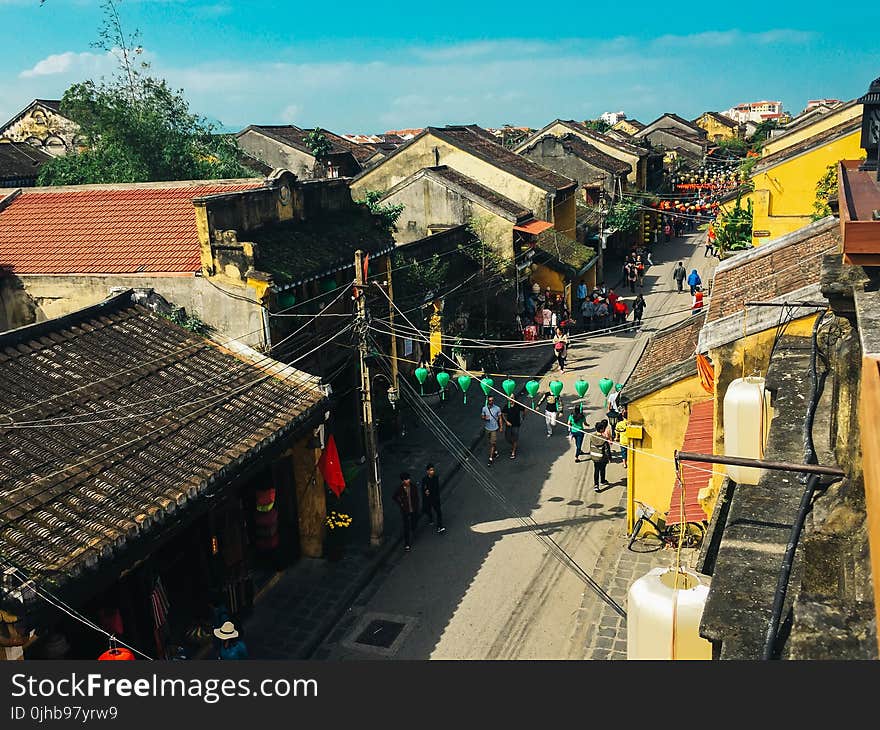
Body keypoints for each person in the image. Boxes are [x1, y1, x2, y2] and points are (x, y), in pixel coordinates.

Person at [393, 472, 420, 551]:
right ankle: (407, 543)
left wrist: (417, 505)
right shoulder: (399, 489)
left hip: (414, 509)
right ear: (402, 481)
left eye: (408, 479)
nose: (408, 481)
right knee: (406, 527)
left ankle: (414, 530)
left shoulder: (413, 487)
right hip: (405, 510)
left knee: (414, 521)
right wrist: (400, 503)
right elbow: (394, 497)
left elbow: (416, 497)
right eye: (406, 479)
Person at [421, 463, 445, 533]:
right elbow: (423, 488)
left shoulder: (436, 477)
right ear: (427, 471)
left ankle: (439, 526)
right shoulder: (425, 479)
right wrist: (426, 491)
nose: (432, 471)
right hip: (428, 498)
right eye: (431, 470)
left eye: (433, 470)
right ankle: (430, 518)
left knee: (439, 512)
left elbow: (437, 488)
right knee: (428, 510)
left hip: (435, 498)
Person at [588, 423, 611, 491]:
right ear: (601, 429)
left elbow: (590, 446)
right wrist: (609, 457)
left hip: (594, 456)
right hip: (602, 457)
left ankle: (596, 485)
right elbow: (607, 450)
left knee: (596, 470)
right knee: (603, 468)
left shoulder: (592, 437)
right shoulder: (604, 439)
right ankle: (603, 480)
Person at [481, 395, 503, 464]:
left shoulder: (497, 408)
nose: (491, 402)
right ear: (488, 401)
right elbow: (482, 416)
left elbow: (500, 418)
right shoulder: (484, 408)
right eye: (490, 400)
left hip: (494, 428)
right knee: (491, 442)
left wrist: (501, 427)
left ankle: (490, 458)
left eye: (492, 400)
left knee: (492, 443)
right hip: (487, 428)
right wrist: (484, 418)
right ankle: (495, 452)